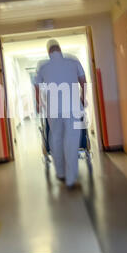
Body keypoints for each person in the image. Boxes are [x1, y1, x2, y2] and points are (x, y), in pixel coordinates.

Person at [34, 39, 87, 189]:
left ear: (48, 51)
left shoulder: (42, 65)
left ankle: (61, 173)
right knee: (71, 140)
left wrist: (39, 103)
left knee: (56, 138)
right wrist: (84, 97)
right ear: (60, 49)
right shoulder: (73, 60)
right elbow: (83, 81)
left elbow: (37, 86)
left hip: (53, 108)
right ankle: (70, 179)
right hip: (72, 106)